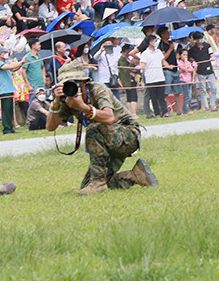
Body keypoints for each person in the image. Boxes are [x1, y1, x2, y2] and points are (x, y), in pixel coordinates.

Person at [46, 59, 158, 195]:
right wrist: (56, 104)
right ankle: (134, 176)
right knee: (86, 185)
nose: (70, 87)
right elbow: (50, 127)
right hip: (106, 140)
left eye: (73, 83)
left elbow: (109, 118)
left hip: (127, 135)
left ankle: (98, 183)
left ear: (83, 82)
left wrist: (83, 107)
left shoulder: (98, 89)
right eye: (65, 84)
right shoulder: (67, 100)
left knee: (94, 129)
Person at [0, 48, 23, 134]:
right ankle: (6, 128)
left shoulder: (4, 63)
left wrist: (21, 63)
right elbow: (10, 67)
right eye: (4, 53)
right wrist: (20, 62)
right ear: (0, 54)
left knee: (10, 110)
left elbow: (13, 69)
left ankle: (10, 127)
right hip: (4, 90)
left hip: (9, 89)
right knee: (6, 110)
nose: (6, 54)